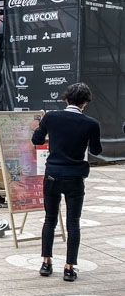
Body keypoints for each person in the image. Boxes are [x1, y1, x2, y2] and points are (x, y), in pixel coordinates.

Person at [32, 82, 102, 282]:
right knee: (73, 223)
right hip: (75, 177)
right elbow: (96, 151)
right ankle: (69, 268)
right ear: (85, 103)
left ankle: (46, 263)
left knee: (49, 219)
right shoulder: (91, 124)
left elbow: (36, 140)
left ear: (66, 99)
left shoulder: (51, 117)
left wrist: (53, 140)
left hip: (52, 174)